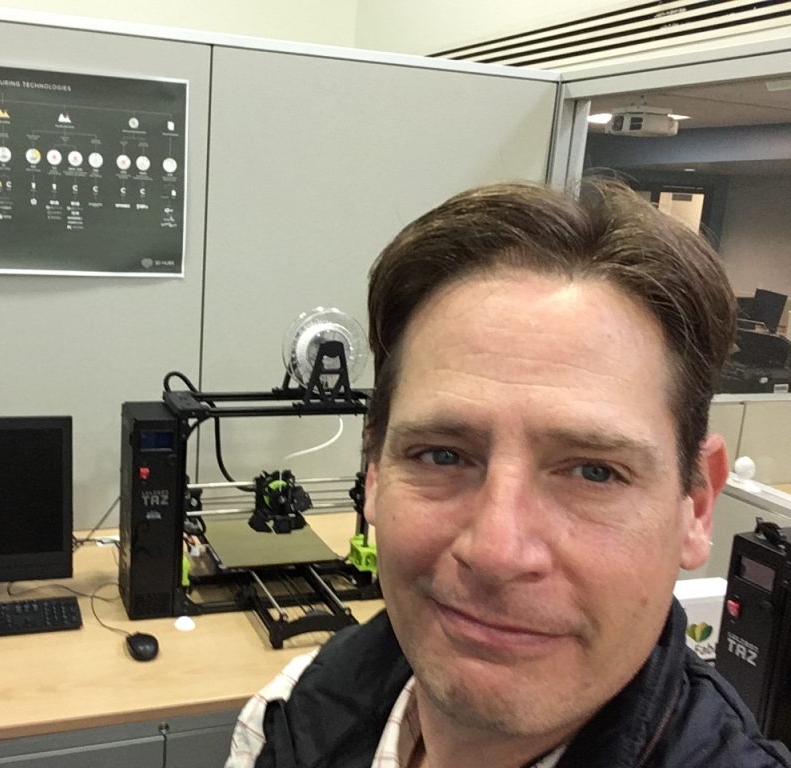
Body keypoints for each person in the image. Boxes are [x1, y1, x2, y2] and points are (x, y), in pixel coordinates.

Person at [225, 180, 791, 768]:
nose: (497, 551)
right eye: (442, 455)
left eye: (595, 472)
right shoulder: (291, 712)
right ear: (373, 474)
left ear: (695, 506)